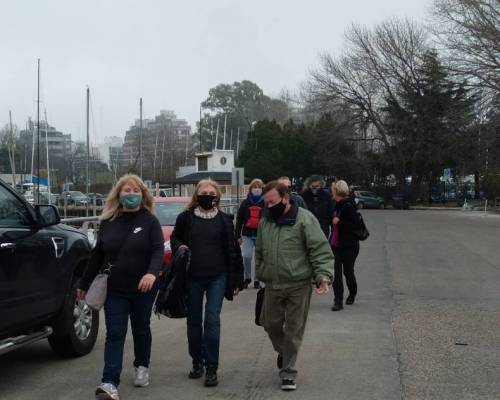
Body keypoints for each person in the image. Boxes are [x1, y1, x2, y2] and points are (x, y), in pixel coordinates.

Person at [77, 174, 164, 400]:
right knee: (115, 333)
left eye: (135, 191)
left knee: (141, 329)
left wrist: (151, 273)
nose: (131, 194)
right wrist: (83, 282)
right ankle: (109, 382)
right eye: (127, 190)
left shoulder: (150, 221)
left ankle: (142, 366)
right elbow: (97, 255)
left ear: (142, 194)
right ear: (119, 194)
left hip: (143, 289)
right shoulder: (108, 222)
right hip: (115, 289)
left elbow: (157, 251)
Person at [255, 180, 333, 391]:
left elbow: (319, 250)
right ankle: (285, 352)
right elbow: (260, 249)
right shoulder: (265, 220)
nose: (269, 207)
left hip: (299, 284)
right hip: (272, 284)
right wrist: (260, 270)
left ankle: (288, 372)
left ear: (286, 198)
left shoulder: (305, 220)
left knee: (294, 329)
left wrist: (323, 276)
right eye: (266, 203)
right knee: (269, 324)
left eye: (272, 202)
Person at [170, 179, 244, 388]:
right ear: (197, 194)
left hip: (217, 277)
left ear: (217, 197)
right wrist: (181, 247)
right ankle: (197, 361)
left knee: (212, 320)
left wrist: (237, 279)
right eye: (204, 191)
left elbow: (233, 250)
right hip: (192, 277)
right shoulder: (185, 218)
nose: (208, 194)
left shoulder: (224, 220)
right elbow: (174, 239)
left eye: (212, 192)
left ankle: (212, 367)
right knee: (194, 321)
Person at [330, 180, 361, 311]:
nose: (332, 193)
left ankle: (352, 292)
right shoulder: (334, 205)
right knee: (336, 274)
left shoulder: (349, 206)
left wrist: (339, 222)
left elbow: (356, 226)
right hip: (335, 244)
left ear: (337, 192)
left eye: (333, 191)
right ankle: (338, 301)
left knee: (348, 272)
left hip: (350, 245)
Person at [235, 178, 265, 289]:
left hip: (261, 234)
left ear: (262, 188)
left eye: (259, 187)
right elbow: (239, 220)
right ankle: (247, 277)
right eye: (254, 187)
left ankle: (257, 280)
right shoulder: (245, 203)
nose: (256, 189)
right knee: (247, 256)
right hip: (247, 234)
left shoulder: (265, 202)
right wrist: (237, 235)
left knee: (259, 258)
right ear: (250, 189)